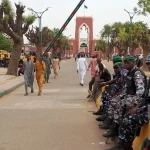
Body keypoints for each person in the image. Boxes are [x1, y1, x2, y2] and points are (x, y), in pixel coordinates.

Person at [104, 56, 148, 150]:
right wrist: (120, 96)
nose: (126, 65)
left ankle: (119, 133)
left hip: (135, 98)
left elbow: (140, 92)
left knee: (121, 105)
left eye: (128, 63)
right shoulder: (128, 72)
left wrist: (135, 104)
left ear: (134, 63)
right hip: (131, 97)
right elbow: (125, 88)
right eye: (125, 63)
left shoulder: (137, 73)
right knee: (115, 101)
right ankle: (115, 127)